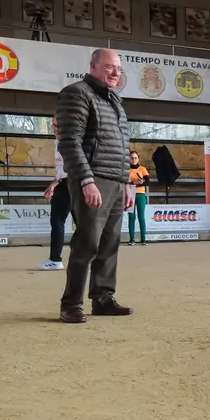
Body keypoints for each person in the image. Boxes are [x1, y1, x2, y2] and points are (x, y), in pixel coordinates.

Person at [55, 48, 134, 324]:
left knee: (110, 243)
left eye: (119, 69)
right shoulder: (76, 93)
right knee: (87, 242)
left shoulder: (115, 101)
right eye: (110, 67)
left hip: (115, 181)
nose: (115, 73)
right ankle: (71, 304)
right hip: (93, 179)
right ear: (93, 66)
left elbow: (123, 146)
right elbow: (69, 142)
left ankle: (102, 299)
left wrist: (126, 182)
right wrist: (86, 180)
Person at [39, 115, 75, 271]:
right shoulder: (59, 142)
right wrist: (53, 184)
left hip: (70, 183)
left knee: (57, 221)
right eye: (53, 125)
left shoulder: (68, 142)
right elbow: (61, 170)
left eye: (58, 125)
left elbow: (70, 168)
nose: (55, 128)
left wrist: (59, 183)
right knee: (79, 223)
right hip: (67, 183)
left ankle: (55, 259)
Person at [127, 150, 149, 245]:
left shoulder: (142, 169)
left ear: (138, 159)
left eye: (135, 158)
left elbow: (147, 182)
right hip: (130, 193)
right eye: (132, 158)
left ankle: (143, 239)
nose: (134, 159)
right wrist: (135, 182)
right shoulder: (127, 169)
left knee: (141, 217)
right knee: (131, 217)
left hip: (140, 194)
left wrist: (136, 183)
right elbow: (126, 182)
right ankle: (132, 239)